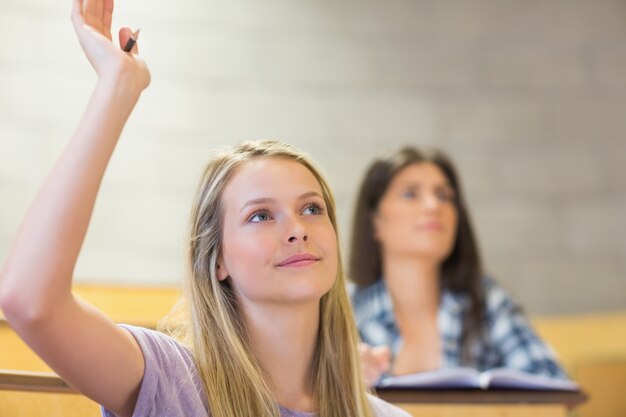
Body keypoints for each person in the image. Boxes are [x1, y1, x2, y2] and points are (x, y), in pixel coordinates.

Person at [0, 1, 410, 416]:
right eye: (261, 215)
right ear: (218, 261)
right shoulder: (169, 380)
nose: (297, 230)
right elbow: (29, 300)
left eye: (311, 209)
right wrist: (117, 87)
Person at [348, 146, 568, 385]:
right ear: (375, 222)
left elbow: (556, 392)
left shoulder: (486, 300)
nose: (434, 205)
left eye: (444, 196)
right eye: (410, 194)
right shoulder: (343, 308)